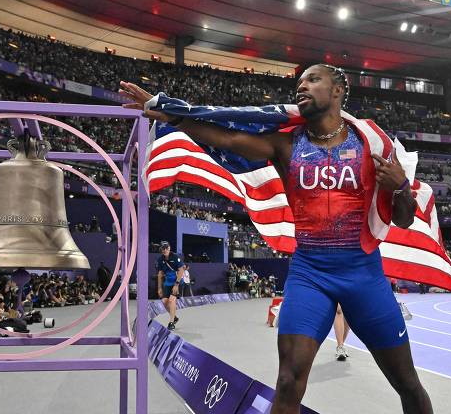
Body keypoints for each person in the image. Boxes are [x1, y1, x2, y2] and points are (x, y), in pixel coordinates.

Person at [120, 64, 432, 413]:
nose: (302, 87)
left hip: (364, 276)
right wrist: (172, 113)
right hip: (310, 275)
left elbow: (403, 220)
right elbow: (226, 138)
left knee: (406, 382)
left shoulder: (371, 145)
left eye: (313, 80)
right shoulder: (286, 144)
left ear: (338, 90)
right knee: (287, 382)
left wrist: (401, 186)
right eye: (299, 83)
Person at [155, 242, 185, 331]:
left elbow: (181, 270)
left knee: (172, 300)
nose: (164, 250)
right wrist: (159, 288)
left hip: (177, 282)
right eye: (162, 248)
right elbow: (160, 274)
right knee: (164, 302)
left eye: (166, 248)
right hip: (167, 283)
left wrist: (176, 285)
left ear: (169, 248)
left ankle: (171, 322)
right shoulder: (160, 260)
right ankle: (174, 317)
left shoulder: (175, 257)